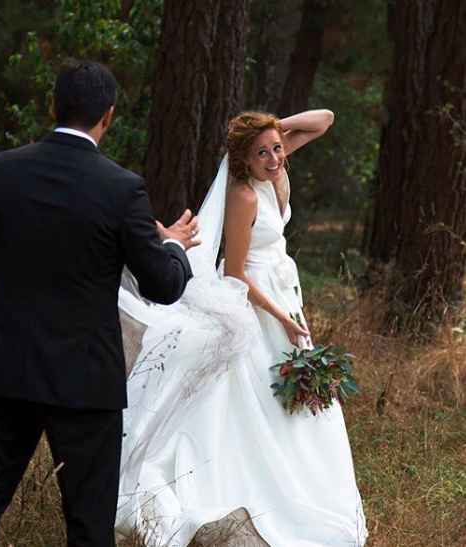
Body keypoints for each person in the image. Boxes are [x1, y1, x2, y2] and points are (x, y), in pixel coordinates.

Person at [0, 60, 200, 547]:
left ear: (52, 106)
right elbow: (163, 286)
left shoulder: (4, 170)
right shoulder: (122, 189)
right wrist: (172, 246)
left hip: (7, 367)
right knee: (88, 520)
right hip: (85, 379)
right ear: (108, 115)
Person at [116, 111, 368, 546]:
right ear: (243, 160)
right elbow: (235, 274)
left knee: (299, 402)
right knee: (258, 394)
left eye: (276, 149)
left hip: (286, 296)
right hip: (260, 306)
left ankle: (306, 479)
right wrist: (281, 317)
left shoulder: (272, 168)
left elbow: (324, 120)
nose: (273, 158)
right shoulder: (244, 196)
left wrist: (266, 129)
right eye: (262, 153)